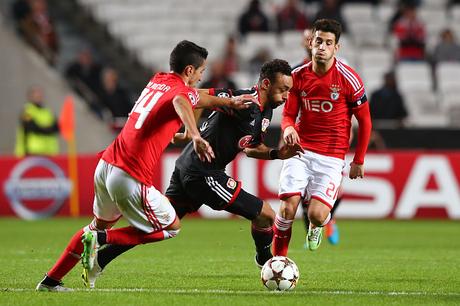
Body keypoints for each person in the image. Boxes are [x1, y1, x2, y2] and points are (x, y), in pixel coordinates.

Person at [35, 40, 254, 292]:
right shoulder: (181, 93)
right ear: (190, 70)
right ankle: (100, 240)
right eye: (201, 71)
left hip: (106, 165)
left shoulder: (159, 79)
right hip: (129, 173)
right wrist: (194, 134)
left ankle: (51, 281)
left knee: (97, 224)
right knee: (171, 227)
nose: (202, 77)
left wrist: (230, 102)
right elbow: (182, 103)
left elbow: (199, 98)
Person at [70, 59, 303, 289]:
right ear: (265, 84)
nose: (285, 96)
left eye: (288, 91)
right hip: (204, 172)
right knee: (267, 215)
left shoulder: (265, 112)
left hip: (188, 167)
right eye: (282, 90)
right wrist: (190, 131)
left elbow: (251, 148)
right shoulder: (244, 101)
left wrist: (277, 154)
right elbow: (196, 95)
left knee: (156, 227)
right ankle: (265, 260)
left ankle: (99, 259)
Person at [272, 19, 372, 256]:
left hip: (332, 156)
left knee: (317, 215)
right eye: (319, 41)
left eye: (329, 43)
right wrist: (287, 128)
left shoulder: (349, 79)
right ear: (311, 43)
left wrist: (358, 160)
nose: (322, 47)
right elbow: (288, 115)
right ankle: (278, 261)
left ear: (336, 47)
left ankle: (318, 226)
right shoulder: (297, 76)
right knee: (287, 209)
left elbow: (365, 121)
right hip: (301, 150)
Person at [294, 28, 342, 246]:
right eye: (309, 38)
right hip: (304, 140)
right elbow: (291, 111)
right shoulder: (297, 72)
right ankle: (313, 229)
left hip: (333, 142)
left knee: (328, 190)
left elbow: (348, 108)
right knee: (303, 193)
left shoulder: (340, 68)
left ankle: (326, 219)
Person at [15, 85, 59, 157]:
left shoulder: (47, 111)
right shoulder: (27, 111)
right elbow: (32, 127)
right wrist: (48, 128)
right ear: (30, 97)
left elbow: (57, 127)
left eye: (40, 95)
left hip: (49, 152)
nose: (39, 97)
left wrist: (45, 128)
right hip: (31, 151)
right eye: (36, 95)